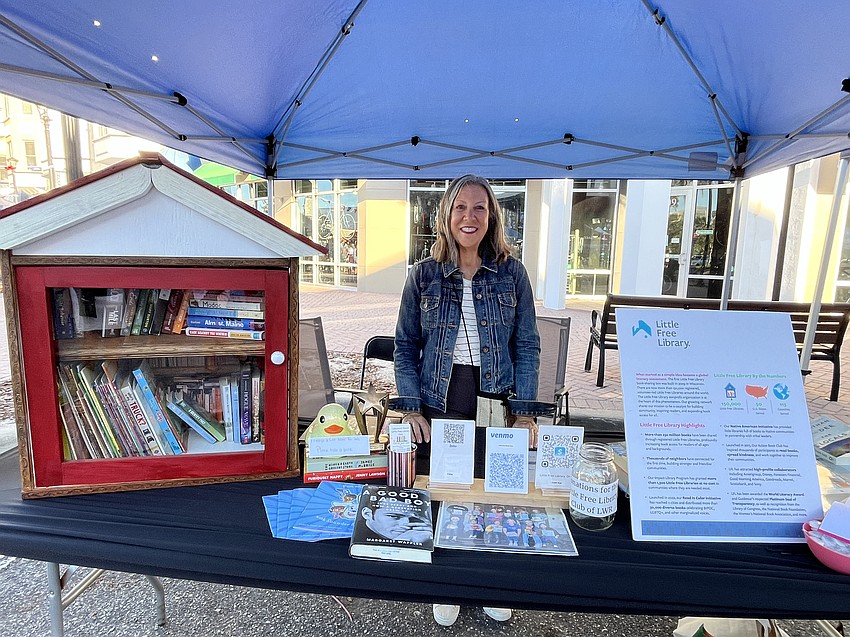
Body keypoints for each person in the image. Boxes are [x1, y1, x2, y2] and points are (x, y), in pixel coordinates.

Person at [392, 174, 541, 627]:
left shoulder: (512, 273)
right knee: (449, 490)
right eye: (460, 207)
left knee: (496, 493)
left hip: (498, 395)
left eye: (479, 207)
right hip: (443, 394)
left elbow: (527, 344)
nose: (469, 216)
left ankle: (493, 582)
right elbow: (404, 345)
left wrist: (527, 413)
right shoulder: (424, 275)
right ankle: (449, 584)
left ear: (492, 214)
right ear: (446, 215)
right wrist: (413, 407)